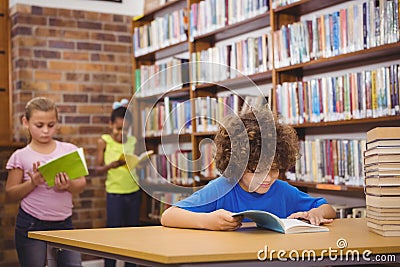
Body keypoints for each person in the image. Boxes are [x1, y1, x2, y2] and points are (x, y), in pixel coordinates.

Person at [161, 107, 336, 231]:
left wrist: (315, 213)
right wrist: (207, 221)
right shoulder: (221, 188)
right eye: (256, 171)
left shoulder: (282, 190)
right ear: (237, 166)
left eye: (273, 170)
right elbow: (168, 216)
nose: (266, 179)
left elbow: (328, 208)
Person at [5, 97, 86, 267]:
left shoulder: (68, 150)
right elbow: (10, 194)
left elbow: (81, 184)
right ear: (26, 122)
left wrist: (68, 185)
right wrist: (32, 183)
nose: (46, 131)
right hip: (31, 223)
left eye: (51, 125)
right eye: (39, 125)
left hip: (64, 223)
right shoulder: (21, 156)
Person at [95, 103, 141, 267]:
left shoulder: (133, 141)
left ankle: (131, 264)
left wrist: (139, 163)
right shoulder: (104, 142)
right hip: (114, 193)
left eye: (125, 130)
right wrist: (111, 165)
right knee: (112, 233)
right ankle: (110, 264)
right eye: (117, 128)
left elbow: (136, 161)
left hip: (133, 191)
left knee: (132, 234)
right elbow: (97, 168)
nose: (121, 133)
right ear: (110, 124)